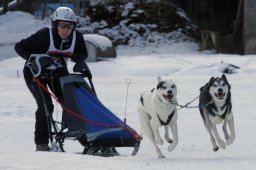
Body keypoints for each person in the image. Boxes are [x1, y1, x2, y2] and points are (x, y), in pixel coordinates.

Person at [15, 7, 92, 151]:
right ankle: (42, 144)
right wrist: (39, 58)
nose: (66, 29)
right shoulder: (45, 35)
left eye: (70, 26)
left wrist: (74, 57)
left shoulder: (77, 37)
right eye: (62, 25)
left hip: (58, 72)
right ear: (55, 24)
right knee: (46, 106)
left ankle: (81, 136)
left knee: (71, 103)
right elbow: (19, 47)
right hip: (35, 73)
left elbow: (83, 54)